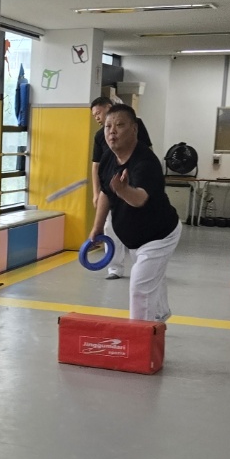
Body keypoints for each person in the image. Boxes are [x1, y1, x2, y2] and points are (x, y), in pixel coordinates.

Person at [89, 103, 180, 324]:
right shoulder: (108, 159)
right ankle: (160, 313)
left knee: (140, 287)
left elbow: (139, 199)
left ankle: (140, 338)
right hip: (135, 238)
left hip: (159, 236)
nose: (112, 131)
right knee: (151, 276)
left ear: (134, 129)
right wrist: (97, 227)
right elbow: (105, 193)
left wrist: (123, 190)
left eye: (119, 125)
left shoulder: (146, 162)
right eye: (108, 126)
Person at [91, 95, 152, 281]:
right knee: (110, 227)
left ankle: (142, 267)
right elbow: (96, 165)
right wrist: (96, 193)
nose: (97, 118)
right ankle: (114, 268)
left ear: (109, 107)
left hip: (134, 186)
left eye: (98, 113)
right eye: (94, 116)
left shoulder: (135, 125)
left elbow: (148, 152)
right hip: (111, 189)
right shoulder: (99, 136)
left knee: (136, 226)